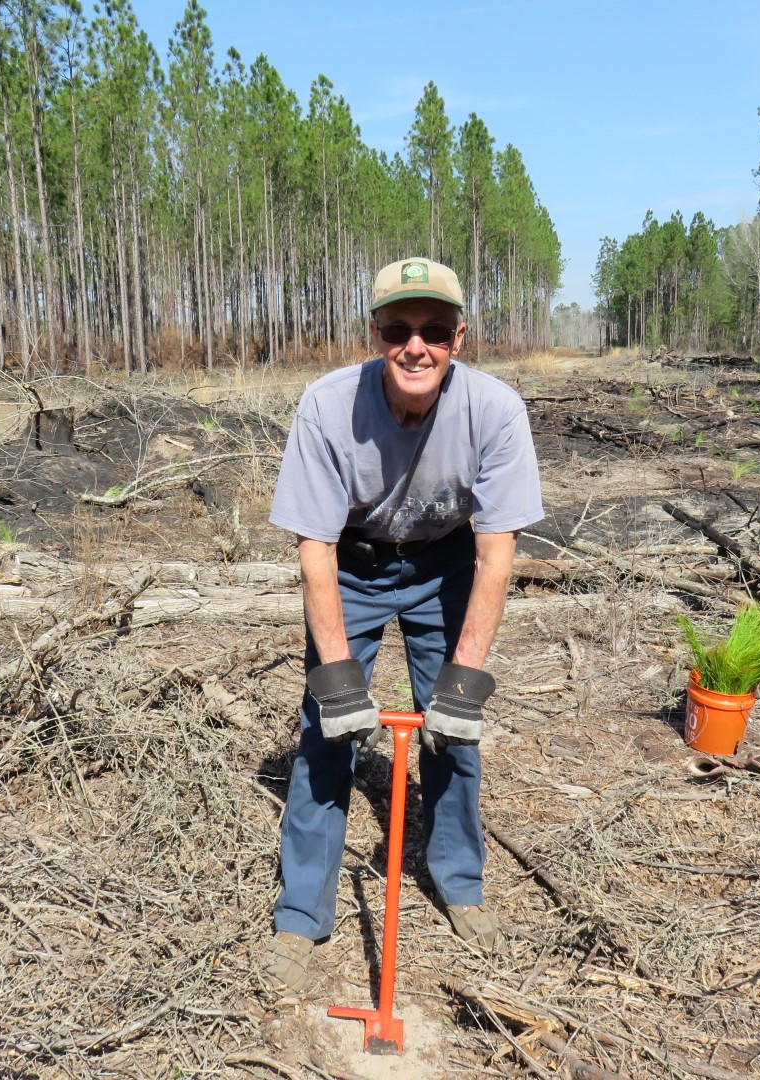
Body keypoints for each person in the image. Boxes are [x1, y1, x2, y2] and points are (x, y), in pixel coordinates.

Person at [259, 256, 543, 998]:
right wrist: (339, 678)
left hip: (447, 560)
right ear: (375, 332)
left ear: (459, 335)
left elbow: (497, 550)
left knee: (454, 728)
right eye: (398, 328)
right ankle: (300, 912)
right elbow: (313, 549)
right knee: (329, 728)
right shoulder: (327, 408)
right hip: (349, 560)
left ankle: (458, 882)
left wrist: (465, 680)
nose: (416, 346)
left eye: (435, 330)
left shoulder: (495, 409)